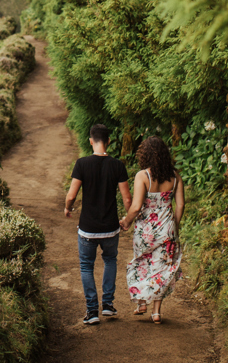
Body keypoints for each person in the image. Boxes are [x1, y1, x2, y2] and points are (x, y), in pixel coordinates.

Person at [65, 124, 131, 325]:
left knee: (86, 266)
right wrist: (128, 218)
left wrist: (68, 208)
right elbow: (128, 199)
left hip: (88, 228)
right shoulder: (118, 165)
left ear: (90, 141)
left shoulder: (82, 164)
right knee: (110, 261)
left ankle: (92, 311)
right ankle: (108, 305)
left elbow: (72, 195)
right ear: (109, 141)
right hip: (110, 227)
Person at [119, 135, 185, 325]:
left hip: (146, 230)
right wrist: (174, 227)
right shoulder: (175, 176)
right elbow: (180, 205)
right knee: (161, 268)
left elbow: (137, 206)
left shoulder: (143, 176)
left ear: (145, 155)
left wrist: (126, 221)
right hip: (167, 228)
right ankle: (156, 312)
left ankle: (141, 303)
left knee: (142, 263)